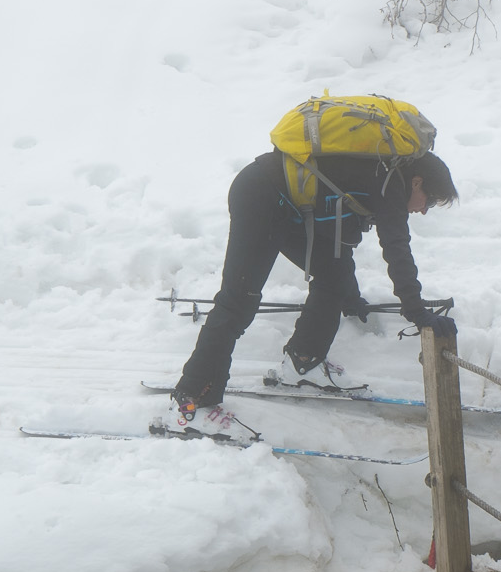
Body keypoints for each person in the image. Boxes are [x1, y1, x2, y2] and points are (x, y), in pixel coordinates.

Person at [165, 149, 458, 442]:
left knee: (334, 277)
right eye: (429, 201)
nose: (424, 210)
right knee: (238, 300)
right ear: (417, 182)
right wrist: (417, 311)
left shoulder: (380, 175)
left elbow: (336, 249)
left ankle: (302, 363)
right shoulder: (390, 184)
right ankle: (189, 405)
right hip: (260, 195)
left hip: (288, 205)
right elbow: (397, 250)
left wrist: (350, 294)